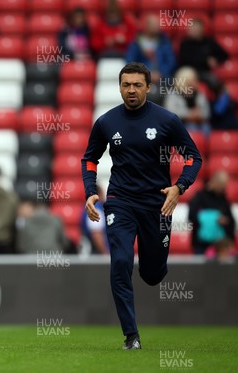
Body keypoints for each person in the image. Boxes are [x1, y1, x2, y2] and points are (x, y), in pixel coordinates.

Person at [81, 62, 202, 350]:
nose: (131, 90)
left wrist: (179, 187)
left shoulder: (167, 121)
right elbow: (89, 159)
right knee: (120, 262)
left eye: (137, 85)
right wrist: (89, 191)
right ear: (120, 87)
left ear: (147, 87)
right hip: (120, 201)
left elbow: (193, 158)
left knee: (151, 274)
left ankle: (155, 266)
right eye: (126, 85)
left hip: (157, 206)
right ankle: (131, 336)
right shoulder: (106, 122)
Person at [188, 170, 235, 259]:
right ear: (214, 182)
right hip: (201, 245)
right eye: (221, 186)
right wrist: (213, 219)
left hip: (220, 247)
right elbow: (191, 216)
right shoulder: (199, 197)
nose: (223, 189)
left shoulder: (223, 199)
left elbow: (230, 221)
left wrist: (230, 240)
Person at [178, 18, 228, 89]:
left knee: (212, 80)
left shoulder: (209, 42)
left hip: (204, 72)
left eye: (196, 28)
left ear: (202, 30)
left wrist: (216, 59)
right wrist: (205, 60)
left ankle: (220, 98)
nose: (193, 30)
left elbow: (224, 54)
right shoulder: (185, 43)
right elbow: (185, 60)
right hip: (189, 71)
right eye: (192, 28)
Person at [125, 14, 175, 83]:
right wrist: (144, 73)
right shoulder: (137, 42)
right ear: (147, 26)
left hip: (163, 76)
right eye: (153, 25)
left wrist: (161, 73)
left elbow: (171, 61)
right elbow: (130, 60)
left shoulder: (164, 41)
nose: (156, 27)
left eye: (157, 25)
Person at [163, 66, 211, 134]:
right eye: (192, 80)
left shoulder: (199, 94)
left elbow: (207, 113)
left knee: (206, 128)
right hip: (180, 125)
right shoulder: (173, 94)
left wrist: (199, 115)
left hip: (199, 124)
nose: (195, 82)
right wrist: (189, 114)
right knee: (191, 127)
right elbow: (170, 113)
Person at [80, 185, 109, 255]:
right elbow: (96, 234)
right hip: (97, 256)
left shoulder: (88, 207)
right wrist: (105, 254)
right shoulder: (96, 208)